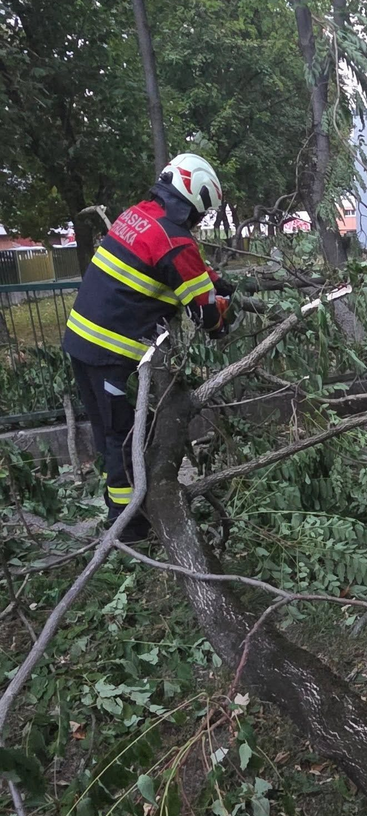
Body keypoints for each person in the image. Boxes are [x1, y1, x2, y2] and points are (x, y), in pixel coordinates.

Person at [62, 152, 235, 542]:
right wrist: (223, 310)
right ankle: (130, 529)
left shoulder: (137, 215)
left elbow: (165, 259)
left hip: (81, 342)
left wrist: (212, 278)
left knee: (109, 432)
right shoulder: (177, 241)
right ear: (196, 200)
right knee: (122, 437)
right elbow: (206, 316)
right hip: (109, 353)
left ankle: (125, 512)